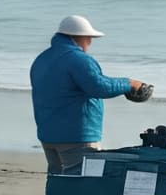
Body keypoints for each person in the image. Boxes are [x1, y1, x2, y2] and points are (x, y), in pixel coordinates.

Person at [30, 15, 150, 173]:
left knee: (56, 178)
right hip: (76, 135)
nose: (90, 42)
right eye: (88, 37)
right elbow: (99, 87)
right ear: (77, 37)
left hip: (48, 134)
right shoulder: (78, 60)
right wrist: (129, 84)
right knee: (82, 180)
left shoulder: (42, 59)